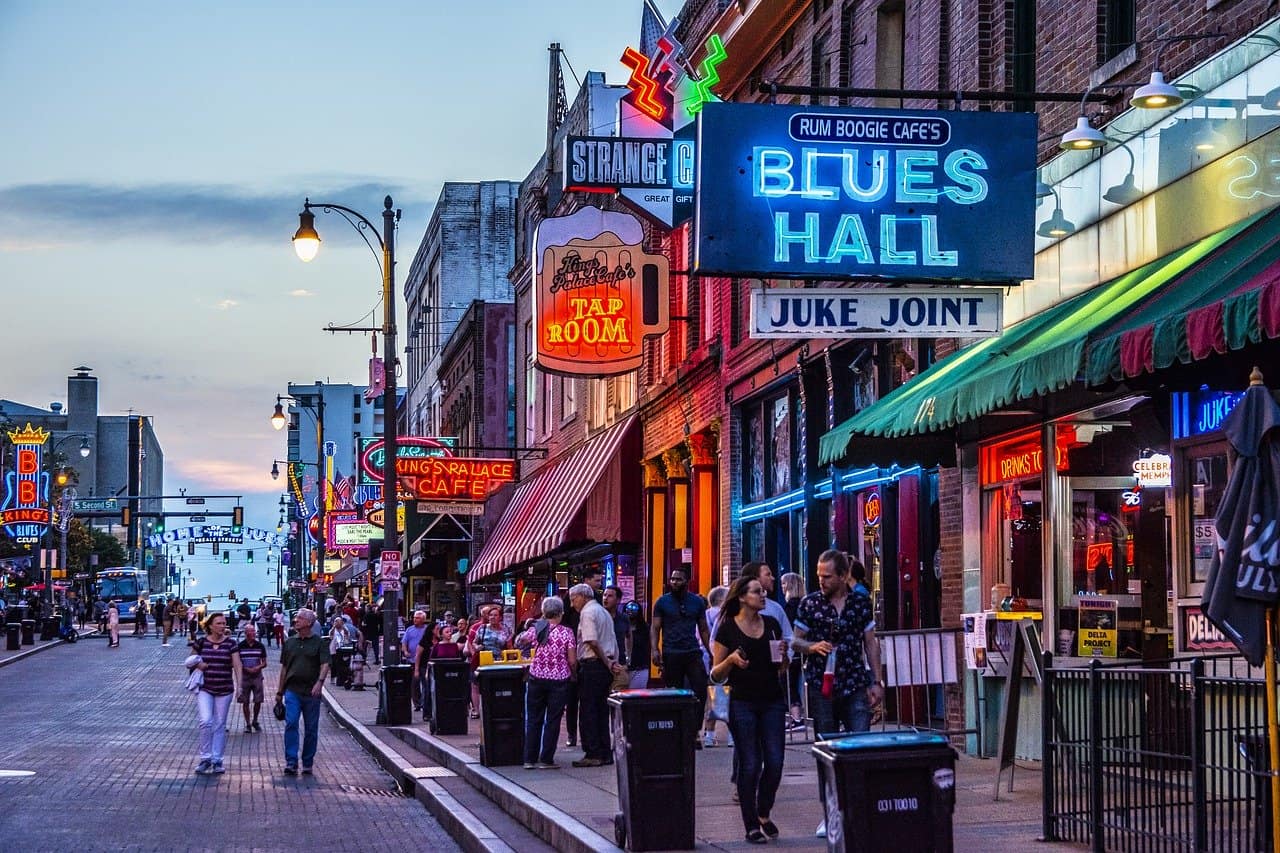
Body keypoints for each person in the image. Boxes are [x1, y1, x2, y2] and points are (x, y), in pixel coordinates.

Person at [793, 550, 883, 837]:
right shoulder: (810, 604)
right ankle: (830, 812)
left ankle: (858, 810)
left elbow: (870, 642)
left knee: (860, 745)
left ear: (843, 576)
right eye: (818, 575)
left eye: (827, 576)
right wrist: (811, 647)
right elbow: (794, 640)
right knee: (827, 749)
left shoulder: (860, 603)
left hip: (855, 682)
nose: (821, 580)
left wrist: (877, 681)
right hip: (823, 686)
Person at [711, 575, 788, 844]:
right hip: (742, 701)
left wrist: (784, 657)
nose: (763, 595)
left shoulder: (772, 624)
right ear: (742, 597)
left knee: (776, 762)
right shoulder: (727, 629)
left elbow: (781, 666)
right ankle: (751, 825)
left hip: (772, 700)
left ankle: (764, 810)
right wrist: (731, 660)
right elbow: (715, 674)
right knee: (751, 763)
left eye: (762, 592)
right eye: (757, 592)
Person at [650, 567, 712, 748]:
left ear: (686, 581)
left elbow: (703, 629)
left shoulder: (696, 602)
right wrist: (655, 650)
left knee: (700, 690)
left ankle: (694, 733)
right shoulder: (662, 602)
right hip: (671, 653)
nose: (674, 582)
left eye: (678, 579)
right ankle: (677, 732)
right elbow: (655, 628)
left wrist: (711, 652)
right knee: (674, 693)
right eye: (672, 579)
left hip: (692, 652)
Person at [516, 596, 577, 769]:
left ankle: (529, 759)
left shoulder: (537, 628)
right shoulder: (567, 632)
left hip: (536, 677)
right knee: (553, 719)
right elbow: (572, 660)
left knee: (534, 718)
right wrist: (573, 675)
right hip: (559, 680)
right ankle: (546, 759)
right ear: (561, 612)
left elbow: (521, 641)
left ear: (544, 611)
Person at [569, 583, 621, 767]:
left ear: (583, 596)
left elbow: (591, 640)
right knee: (601, 710)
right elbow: (612, 640)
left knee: (589, 711)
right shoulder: (603, 612)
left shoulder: (587, 613)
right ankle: (604, 752)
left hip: (593, 665)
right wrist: (612, 662)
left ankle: (593, 752)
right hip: (604, 665)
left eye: (573, 599)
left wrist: (607, 662)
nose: (572, 604)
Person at [277, 608, 331, 775]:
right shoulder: (290, 643)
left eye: (299, 618)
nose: (295, 621)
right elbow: (284, 668)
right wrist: (280, 692)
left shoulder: (319, 643)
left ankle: (307, 761)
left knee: (311, 728)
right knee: (291, 722)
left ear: (308, 623)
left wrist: (319, 683)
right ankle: (291, 761)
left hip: (311, 692)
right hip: (292, 690)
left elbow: (325, 664)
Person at [189, 612, 241, 775]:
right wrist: (199, 665)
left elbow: (237, 665)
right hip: (206, 687)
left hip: (224, 689)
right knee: (205, 721)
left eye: (224, 623)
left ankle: (217, 759)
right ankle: (205, 757)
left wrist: (240, 686)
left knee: (220, 724)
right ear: (210, 625)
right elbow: (190, 661)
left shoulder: (231, 644)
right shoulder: (201, 642)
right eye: (218, 623)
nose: (222, 626)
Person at [466, 606, 511, 718]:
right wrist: (477, 647)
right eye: (491, 615)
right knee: (475, 685)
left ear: (500, 617)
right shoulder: (482, 628)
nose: (492, 617)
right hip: (482, 660)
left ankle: (496, 708)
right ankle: (476, 710)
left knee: (495, 686)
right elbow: (474, 642)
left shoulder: (506, 629)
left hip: (498, 661)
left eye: (495, 615)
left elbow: (510, 646)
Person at [702, 585, 732, 748]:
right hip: (725, 660)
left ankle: (709, 735)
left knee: (712, 697)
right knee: (728, 698)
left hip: (708, 661)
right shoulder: (725, 615)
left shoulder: (705, 615)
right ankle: (732, 736)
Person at [780, 572, 805, 730]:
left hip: (793, 651)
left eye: (784, 584)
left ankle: (796, 717)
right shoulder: (804, 604)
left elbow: (788, 629)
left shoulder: (790, 607)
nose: (781, 587)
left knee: (788, 682)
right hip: (801, 650)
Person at [236, 623, 268, 733]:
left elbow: (264, 662)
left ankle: (255, 720)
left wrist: (257, 667)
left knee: (258, 699)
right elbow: (237, 662)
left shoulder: (260, 646)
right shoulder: (240, 646)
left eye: (254, 631)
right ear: (246, 633)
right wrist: (245, 668)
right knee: (245, 701)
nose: (253, 633)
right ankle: (248, 723)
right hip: (245, 676)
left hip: (257, 676)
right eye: (251, 631)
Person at [602, 585, 631, 692]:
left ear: (618, 600)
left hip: (620, 664)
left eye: (610, 596)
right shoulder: (598, 616)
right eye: (604, 595)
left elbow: (629, 636)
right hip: (603, 664)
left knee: (619, 698)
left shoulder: (624, 618)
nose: (605, 598)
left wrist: (628, 657)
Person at [401, 611, 431, 714]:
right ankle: (417, 703)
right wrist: (405, 651)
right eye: (414, 618)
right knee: (414, 683)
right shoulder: (409, 630)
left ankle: (424, 703)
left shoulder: (427, 630)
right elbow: (404, 642)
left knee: (425, 683)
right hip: (412, 660)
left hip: (424, 661)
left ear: (423, 619)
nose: (415, 619)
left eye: (417, 618)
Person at [624, 602, 650, 689]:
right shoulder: (620, 627)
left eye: (633, 610)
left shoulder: (645, 628)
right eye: (628, 610)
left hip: (640, 668)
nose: (630, 613)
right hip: (623, 667)